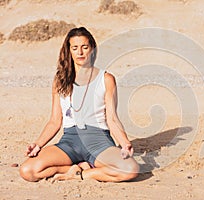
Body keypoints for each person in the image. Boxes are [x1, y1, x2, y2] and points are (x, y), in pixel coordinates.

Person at [19, 27, 139, 182]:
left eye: (85, 47)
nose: (80, 52)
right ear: (69, 51)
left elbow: (112, 119)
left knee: (130, 170)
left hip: (99, 141)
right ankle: (77, 167)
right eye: (75, 48)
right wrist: (37, 144)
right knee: (28, 171)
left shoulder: (106, 79)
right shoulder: (60, 81)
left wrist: (124, 143)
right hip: (70, 141)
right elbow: (55, 121)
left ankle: (82, 173)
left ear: (92, 49)